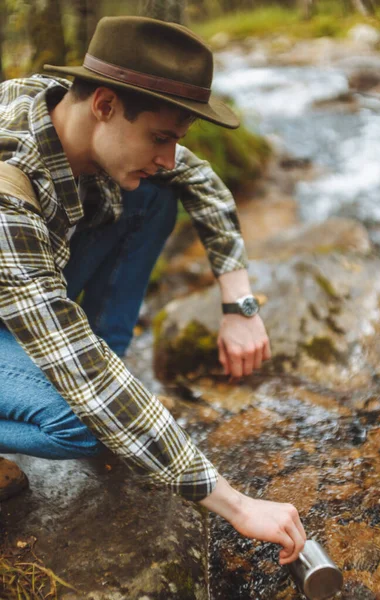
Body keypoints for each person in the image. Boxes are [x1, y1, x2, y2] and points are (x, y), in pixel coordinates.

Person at [0, 16, 306, 564]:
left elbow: (202, 181)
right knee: (85, 420)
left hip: (27, 291)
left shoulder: (68, 114)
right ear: (104, 105)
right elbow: (79, 369)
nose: (169, 155)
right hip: (18, 288)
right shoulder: (6, 180)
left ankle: (114, 385)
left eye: (176, 139)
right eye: (160, 138)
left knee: (154, 192)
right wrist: (237, 506)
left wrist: (239, 307)